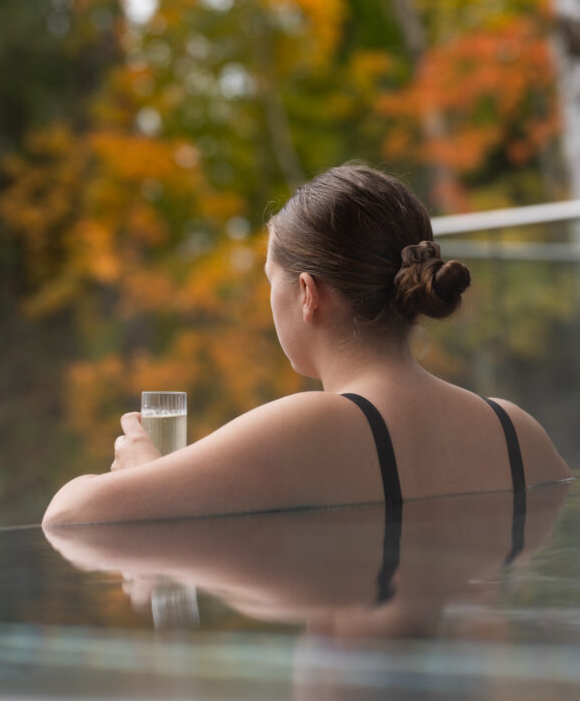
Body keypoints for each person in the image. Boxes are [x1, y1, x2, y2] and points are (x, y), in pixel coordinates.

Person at [42, 164, 571, 527]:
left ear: (307, 294)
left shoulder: (312, 425)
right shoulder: (517, 431)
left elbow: (68, 515)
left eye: (269, 280)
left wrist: (147, 475)